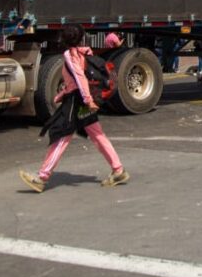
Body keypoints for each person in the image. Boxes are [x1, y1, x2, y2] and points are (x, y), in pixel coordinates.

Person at [19, 24, 129, 192]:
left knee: (62, 136)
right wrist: (63, 94)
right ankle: (118, 170)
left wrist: (86, 99)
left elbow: (79, 78)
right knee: (97, 134)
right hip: (79, 99)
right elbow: (77, 79)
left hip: (77, 101)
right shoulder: (85, 52)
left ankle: (42, 177)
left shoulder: (70, 54)